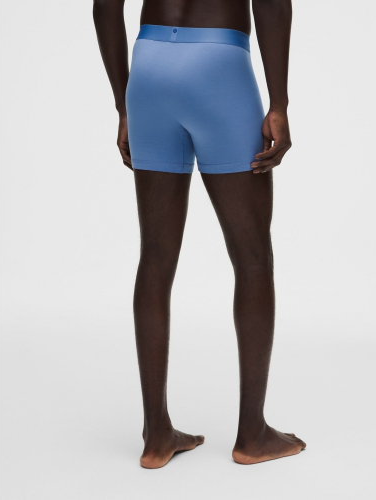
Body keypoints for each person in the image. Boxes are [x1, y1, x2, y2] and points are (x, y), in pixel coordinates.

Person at [93, 0, 306, 468]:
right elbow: (272, 5)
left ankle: (156, 436)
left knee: (155, 258)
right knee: (253, 258)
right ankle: (252, 434)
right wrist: (280, 103)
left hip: (148, 66)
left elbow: (105, 6)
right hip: (218, 65)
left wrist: (125, 106)